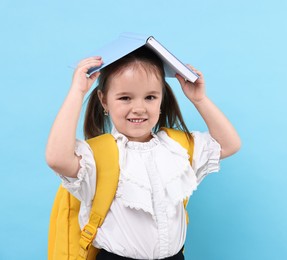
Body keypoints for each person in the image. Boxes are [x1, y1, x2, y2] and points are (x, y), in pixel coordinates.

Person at [46, 46, 241, 260]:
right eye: (125, 98)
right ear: (104, 101)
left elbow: (228, 145)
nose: (139, 108)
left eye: (150, 97)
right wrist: (77, 92)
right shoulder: (98, 155)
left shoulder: (177, 148)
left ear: (161, 100)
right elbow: (57, 159)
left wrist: (199, 99)